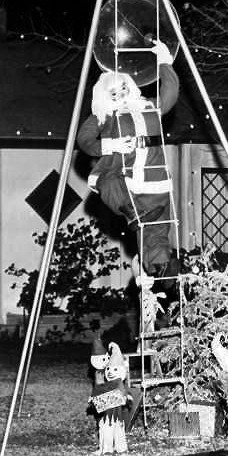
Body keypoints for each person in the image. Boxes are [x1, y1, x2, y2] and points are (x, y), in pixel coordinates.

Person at [77, 40, 179, 280]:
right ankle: (132, 214)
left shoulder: (149, 107)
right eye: (114, 93)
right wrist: (110, 144)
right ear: (106, 96)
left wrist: (164, 62)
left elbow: (170, 93)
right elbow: (84, 138)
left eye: (123, 89)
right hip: (129, 177)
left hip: (156, 177)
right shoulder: (107, 115)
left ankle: (160, 270)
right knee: (107, 184)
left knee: (157, 231)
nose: (121, 95)